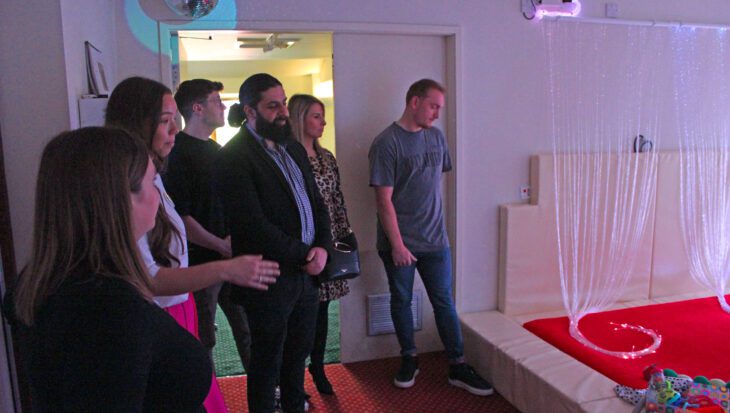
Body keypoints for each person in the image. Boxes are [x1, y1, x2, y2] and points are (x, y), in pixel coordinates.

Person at [105, 76, 281, 413]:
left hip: (189, 283)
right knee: (198, 356)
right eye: (164, 121)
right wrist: (224, 259)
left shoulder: (172, 162)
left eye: (173, 121)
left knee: (242, 332)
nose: (172, 130)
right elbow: (154, 268)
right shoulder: (136, 177)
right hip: (181, 287)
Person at [5, 127, 212, 411]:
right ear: (119, 198)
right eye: (152, 181)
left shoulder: (47, 280)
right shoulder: (107, 307)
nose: (158, 195)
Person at [368, 79, 493, 396]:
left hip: (436, 240)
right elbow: (383, 201)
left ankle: (457, 366)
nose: (437, 113)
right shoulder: (386, 143)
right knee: (402, 300)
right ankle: (409, 358)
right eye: (433, 106)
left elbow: (432, 187)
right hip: (400, 242)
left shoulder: (437, 138)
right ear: (414, 102)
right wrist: (397, 245)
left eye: (440, 107)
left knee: (444, 303)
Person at [215, 74, 331, 413]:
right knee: (266, 365)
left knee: (297, 358)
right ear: (250, 112)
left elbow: (317, 203)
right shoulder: (233, 158)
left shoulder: (293, 146)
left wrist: (322, 247)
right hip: (269, 278)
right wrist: (306, 253)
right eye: (272, 105)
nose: (283, 112)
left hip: (306, 276)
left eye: (283, 102)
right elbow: (253, 225)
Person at [165, 78, 253, 371]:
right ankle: (207, 399)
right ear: (198, 108)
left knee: (247, 331)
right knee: (203, 339)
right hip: (200, 265)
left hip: (229, 257)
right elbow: (182, 218)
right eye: (217, 101)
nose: (224, 106)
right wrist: (221, 246)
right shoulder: (176, 154)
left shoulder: (216, 152)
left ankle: (267, 396)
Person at [288, 94, 351, 395]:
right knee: (300, 314)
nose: (323, 122)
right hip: (302, 244)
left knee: (323, 310)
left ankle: (318, 367)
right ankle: (293, 375)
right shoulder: (287, 155)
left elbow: (337, 199)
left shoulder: (327, 158)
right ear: (300, 118)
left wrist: (344, 236)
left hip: (329, 239)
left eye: (323, 116)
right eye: (316, 116)